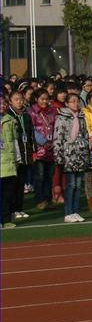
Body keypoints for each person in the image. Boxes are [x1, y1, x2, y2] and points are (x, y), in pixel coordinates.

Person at [53, 92, 92, 222]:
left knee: (77, 185)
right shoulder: (61, 118)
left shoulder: (82, 117)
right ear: (66, 104)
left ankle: (76, 211)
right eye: (72, 101)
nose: (76, 104)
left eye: (77, 101)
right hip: (68, 156)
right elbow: (58, 138)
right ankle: (68, 212)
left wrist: (89, 154)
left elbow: (86, 136)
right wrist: (58, 156)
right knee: (71, 185)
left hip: (80, 155)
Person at [7, 90, 35, 220]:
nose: (19, 102)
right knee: (14, 184)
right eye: (16, 99)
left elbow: (30, 134)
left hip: (26, 153)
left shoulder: (26, 115)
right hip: (14, 155)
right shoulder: (8, 116)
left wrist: (33, 150)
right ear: (10, 102)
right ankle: (12, 210)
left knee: (21, 183)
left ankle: (20, 208)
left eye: (20, 99)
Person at [29, 89, 57, 210]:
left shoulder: (53, 111)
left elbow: (56, 127)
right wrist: (44, 142)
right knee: (39, 176)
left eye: (46, 99)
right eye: (42, 99)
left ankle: (48, 199)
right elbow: (32, 130)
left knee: (48, 176)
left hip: (51, 148)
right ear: (36, 99)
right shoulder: (31, 112)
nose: (45, 101)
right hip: (39, 149)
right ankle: (40, 200)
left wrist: (53, 141)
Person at [1, 95, 19, 229]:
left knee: (8, 194)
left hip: (8, 162)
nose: (2, 106)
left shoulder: (10, 120)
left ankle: (6, 219)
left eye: (3, 104)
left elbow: (15, 140)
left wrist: (17, 157)